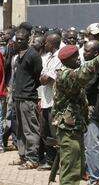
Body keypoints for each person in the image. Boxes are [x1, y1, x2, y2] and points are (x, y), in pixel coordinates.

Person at [53, 44, 99, 185]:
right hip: (68, 131)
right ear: (65, 61)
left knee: (76, 168)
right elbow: (83, 73)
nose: (78, 59)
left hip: (75, 128)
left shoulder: (70, 72)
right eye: (74, 58)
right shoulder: (65, 75)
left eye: (77, 56)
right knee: (71, 171)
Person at [12, 28, 42, 169]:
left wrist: (29, 89)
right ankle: (22, 156)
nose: (19, 41)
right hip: (18, 97)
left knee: (30, 129)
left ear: (28, 39)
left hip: (28, 98)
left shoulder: (33, 55)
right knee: (20, 130)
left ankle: (32, 159)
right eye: (17, 39)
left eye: (22, 39)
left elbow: (38, 76)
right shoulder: (18, 55)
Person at [83, 40, 99, 185]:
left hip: (95, 112)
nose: (84, 52)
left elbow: (86, 88)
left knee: (92, 146)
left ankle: (95, 178)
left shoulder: (93, 68)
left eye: (87, 50)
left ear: (96, 53)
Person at [38, 31, 62, 170]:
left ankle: (58, 164)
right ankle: (50, 161)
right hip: (45, 100)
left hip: (54, 102)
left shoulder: (59, 58)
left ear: (52, 43)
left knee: (55, 135)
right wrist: (43, 78)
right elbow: (42, 77)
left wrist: (43, 78)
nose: (44, 44)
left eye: (47, 42)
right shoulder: (48, 57)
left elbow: (46, 79)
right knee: (45, 133)